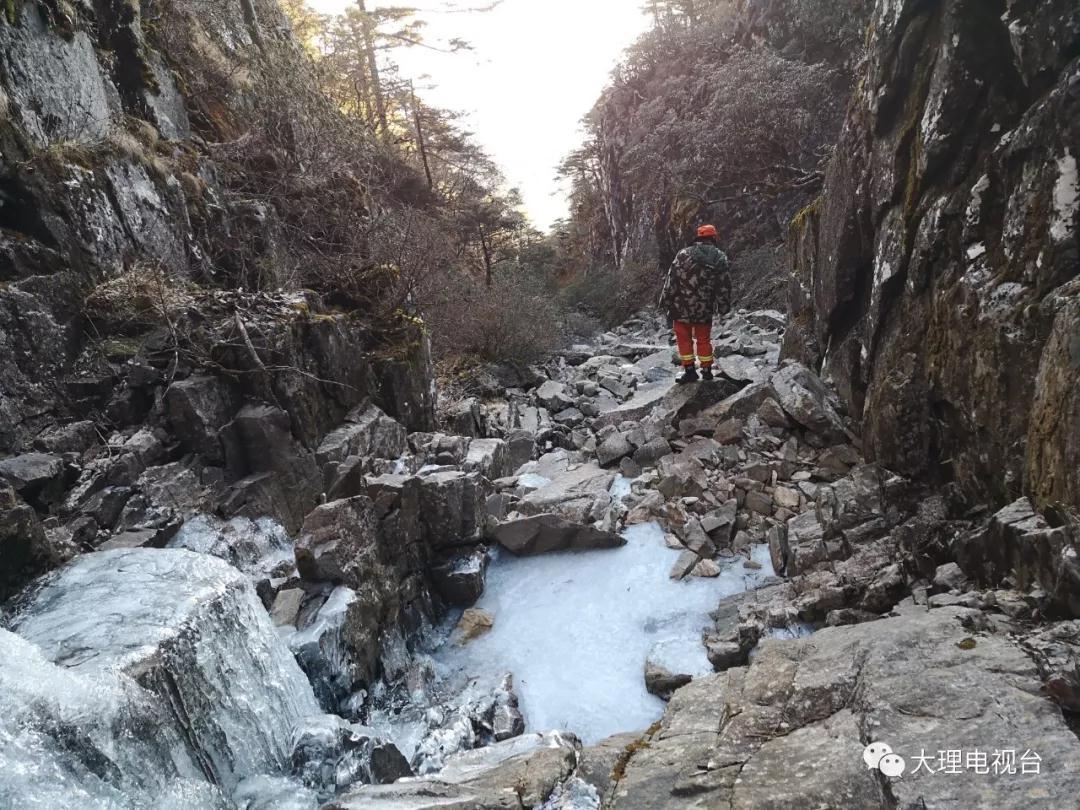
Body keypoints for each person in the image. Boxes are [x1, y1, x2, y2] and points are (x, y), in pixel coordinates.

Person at [659, 224, 731, 384]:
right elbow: (724, 285)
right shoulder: (720, 257)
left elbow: (671, 280)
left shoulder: (683, 254)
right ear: (713, 238)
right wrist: (723, 307)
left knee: (684, 339)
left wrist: (665, 300)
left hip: (681, 306)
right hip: (704, 308)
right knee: (703, 339)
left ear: (698, 238)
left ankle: (690, 371)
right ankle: (706, 370)